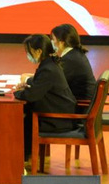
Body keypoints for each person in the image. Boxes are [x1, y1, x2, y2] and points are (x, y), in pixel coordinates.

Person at [13, 34, 77, 167]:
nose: (28, 55)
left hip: (59, 120)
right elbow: (40, 84)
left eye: (29, 51)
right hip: (61, 112)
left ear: (38, 51)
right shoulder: (50, 63)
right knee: (27, 113)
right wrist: (28, 84)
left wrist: (16, 93)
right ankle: (24, 157)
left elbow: (31, 95)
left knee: (23, 118)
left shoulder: (48, 69)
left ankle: (21, 159)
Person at [50, 23, 96, 102]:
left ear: (61, 42)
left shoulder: (69, 60)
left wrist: (29, 80)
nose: (51, 42)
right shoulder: (76, 53)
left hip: (80, 104)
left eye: (53, 39)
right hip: (81, 100)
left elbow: (51, 81)